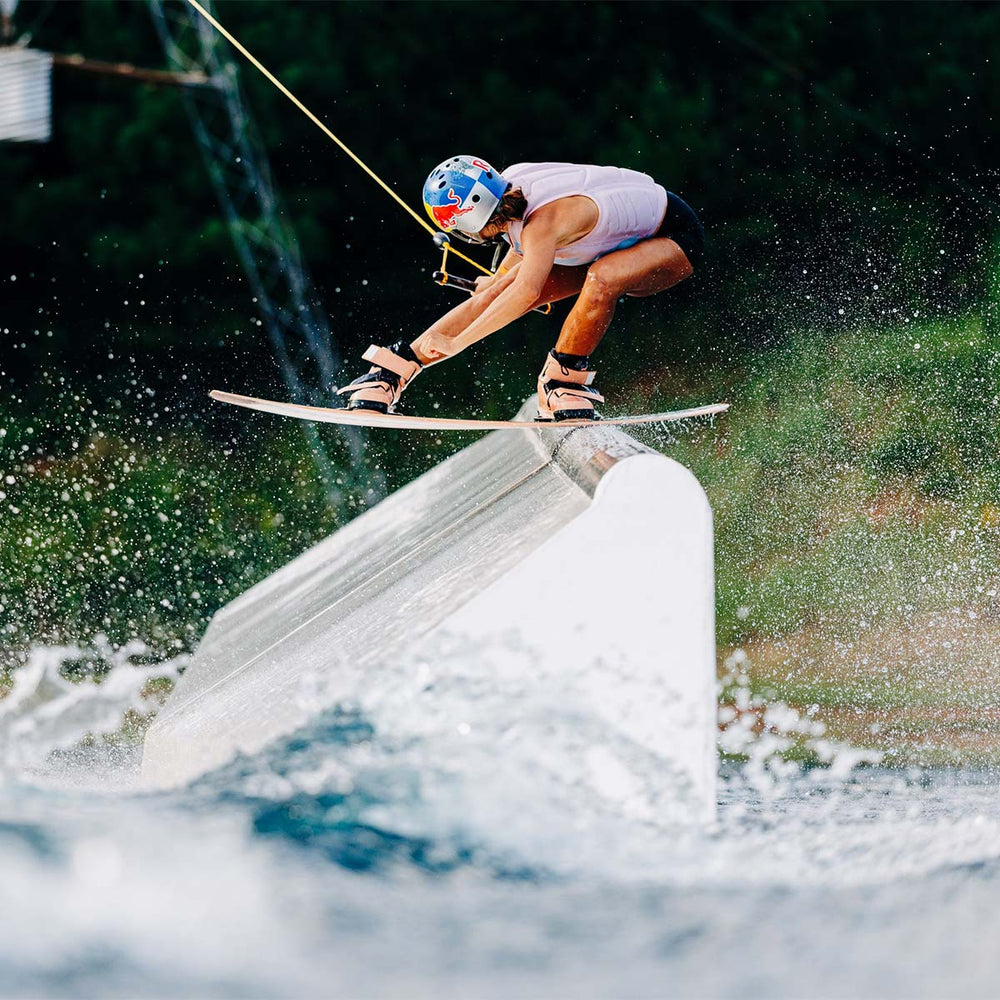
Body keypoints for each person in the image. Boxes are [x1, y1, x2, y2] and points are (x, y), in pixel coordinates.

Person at [337, 155, 704, 421]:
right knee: (495, 290)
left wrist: (458, 343)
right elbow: (505, 287)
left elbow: (527, 292)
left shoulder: (541, 225)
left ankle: (565, 382)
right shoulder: (510, 182)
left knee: (601, 279)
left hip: (674, 238)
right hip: (611, 241)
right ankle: (396, 369)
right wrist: (496, 283)